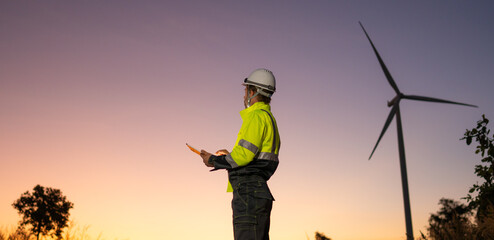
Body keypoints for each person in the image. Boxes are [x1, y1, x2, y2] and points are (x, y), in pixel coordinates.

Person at [200, 68, 281, 240]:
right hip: (258, 193)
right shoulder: (268, 118)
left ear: (253, 92)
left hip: (248, 194)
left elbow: (243, 155)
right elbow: (254, 156)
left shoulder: (256, 117)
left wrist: (213, 160)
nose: (244, 95)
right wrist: (230, 155)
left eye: (245, 91)